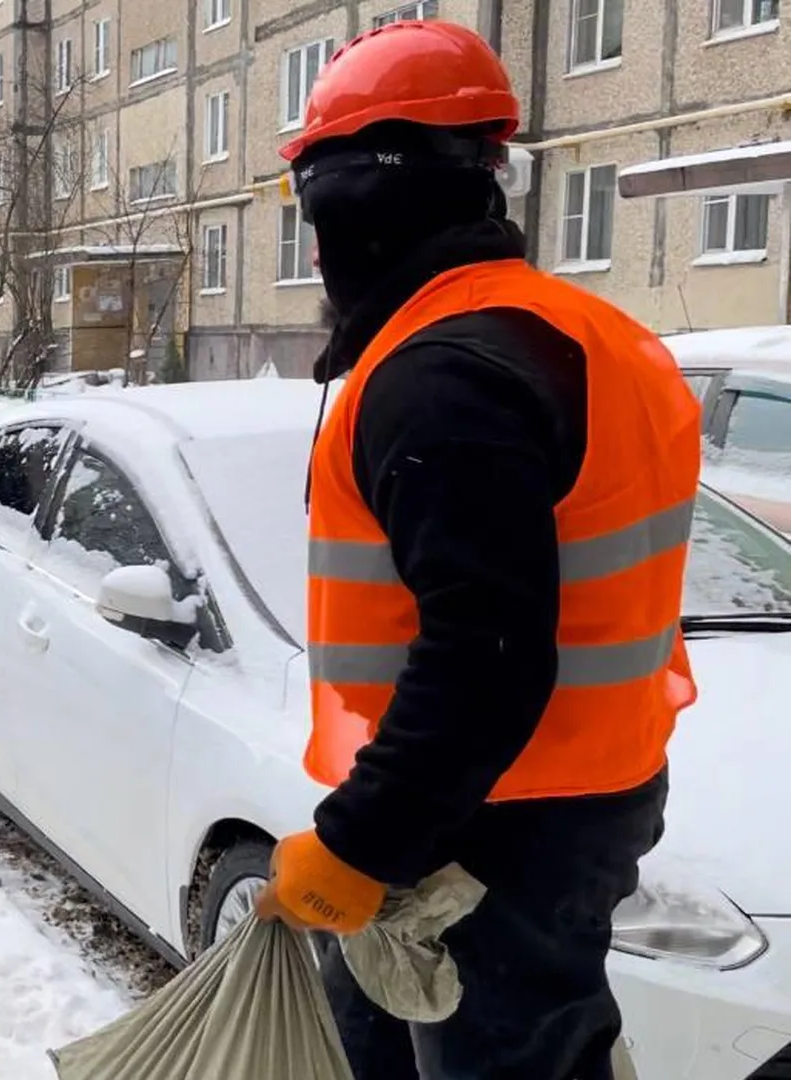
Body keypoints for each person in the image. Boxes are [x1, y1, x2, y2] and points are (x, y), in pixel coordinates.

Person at [252, 20, 701, 1079]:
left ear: (363, 205)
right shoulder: (580, 334)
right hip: (547, 797)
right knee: (365, 1049)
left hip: (495, 830)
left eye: (313, 209)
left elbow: (484, 654)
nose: (313, 248)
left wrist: (364, 837)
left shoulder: (445, 380)